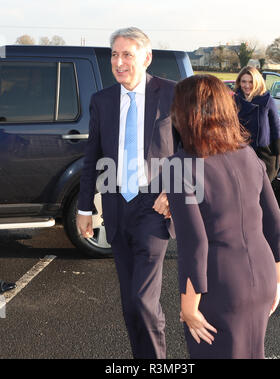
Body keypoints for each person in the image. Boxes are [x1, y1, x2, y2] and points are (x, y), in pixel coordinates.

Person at [164, 74, 280, 359]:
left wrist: (188, 308)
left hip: (219, 287)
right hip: (264, 275)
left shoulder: (179, 166)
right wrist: (278, 283)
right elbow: (274, 225)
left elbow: (194, 244)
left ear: (188, 113)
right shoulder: (248, 155)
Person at [76, 27, 179, 359]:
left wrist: (175, 194)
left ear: (146, 58)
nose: (118, 62)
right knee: (129, 303)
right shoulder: (102, 100)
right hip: (116, 208)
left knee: (143, 300)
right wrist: (83, 209)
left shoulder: (172, 94)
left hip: (154, 208)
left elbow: (193, 147)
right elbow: (91, 157)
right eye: (114, 55)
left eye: (127, 55)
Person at [234, 66, 280, 182]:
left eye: (251, 82)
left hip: (264, 155)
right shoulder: (235, 100)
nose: (247, 85)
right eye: (244, 81)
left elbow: (275, 127)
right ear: (239, 82)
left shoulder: (266, 100)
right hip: (241, 154)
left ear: (257, 82)